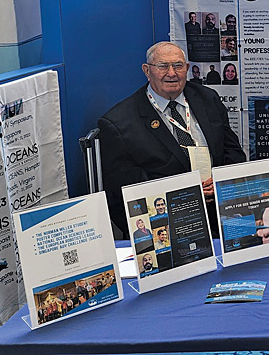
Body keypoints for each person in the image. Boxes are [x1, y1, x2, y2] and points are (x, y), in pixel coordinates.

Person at [98, 42, 246, 233]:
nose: (171, 73)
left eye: (178, 65)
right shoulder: (119, 124)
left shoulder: (208, 98)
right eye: (162, 66)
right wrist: (187, 196)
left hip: (220, 214)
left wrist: (220, 183)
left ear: (187, 68)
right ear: (147, 71)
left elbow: (232, 152)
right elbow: (125, 193)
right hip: (169, 226)